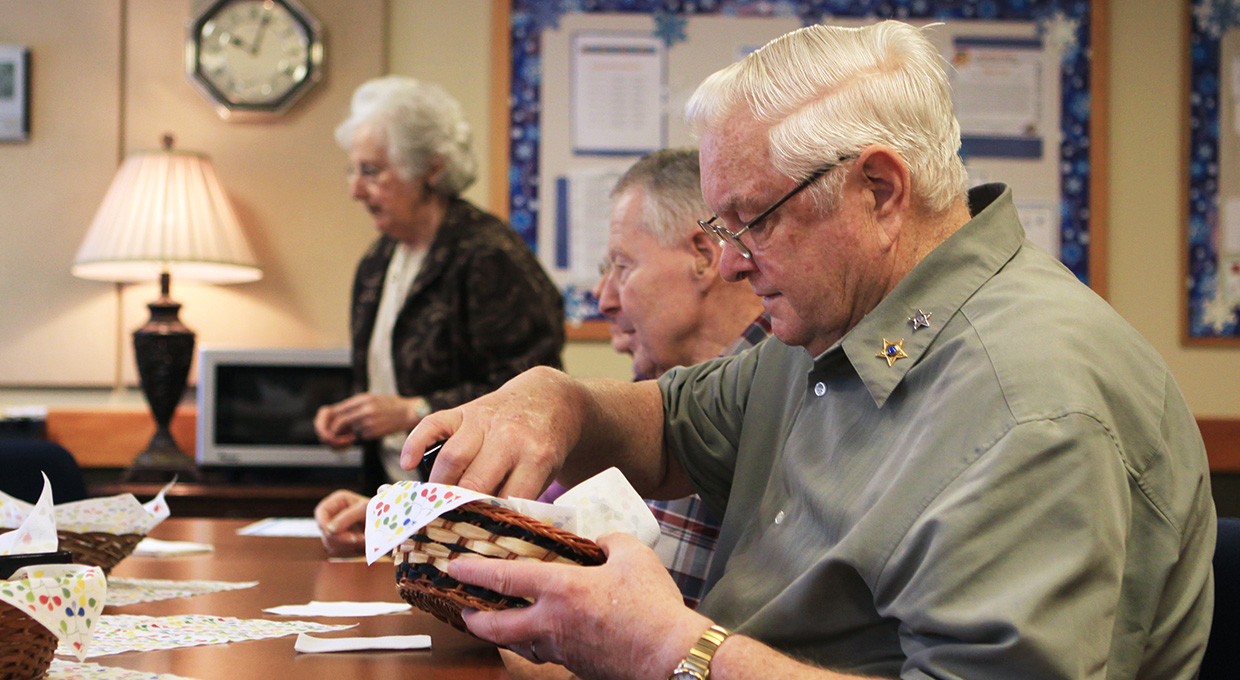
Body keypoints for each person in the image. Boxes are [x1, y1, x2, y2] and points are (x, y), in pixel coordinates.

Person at [402, 21, 1216, 680]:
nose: (729, 259)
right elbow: (673, 424)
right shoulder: (844, 317)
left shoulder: (1030, 406)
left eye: (752, 219)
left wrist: (667, 649)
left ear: (880, 191)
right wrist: (553, 398)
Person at [314, 76, 564, 555]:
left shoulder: (489, 255)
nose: (354, 190)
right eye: (353, 171)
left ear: (429, 168)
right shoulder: (377, 261)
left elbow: (534, 391)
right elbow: (386, 378)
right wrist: (354, 416)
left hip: (476, 520)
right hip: (396, 503)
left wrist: (414, 411)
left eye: (371, 171)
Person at [555, 148, 769, 609]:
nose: (604, 298)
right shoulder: (673, 394)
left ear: (703, 257)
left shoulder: (774, 393)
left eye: (623, 266)